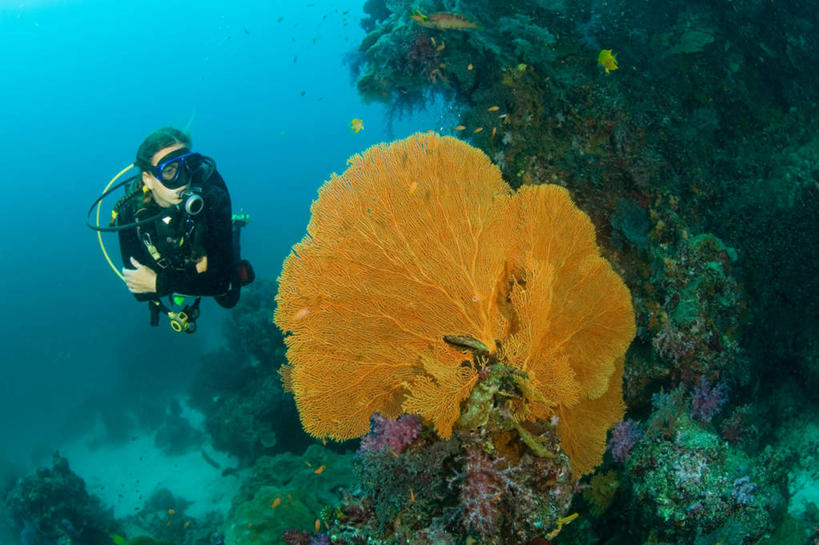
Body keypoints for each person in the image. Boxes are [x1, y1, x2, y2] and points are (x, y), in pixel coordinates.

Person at [116, 127, 253, 332]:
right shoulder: (129, 213)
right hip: (171, 261)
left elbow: (220, 283)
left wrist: (160, 284)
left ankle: (233, 228)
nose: (183, 180)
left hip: (202, 247)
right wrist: (185, 280)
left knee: (229, 299)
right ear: (148, 178)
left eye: (189, 165)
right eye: (169, 171)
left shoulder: (212, 196)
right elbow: (140, 291)